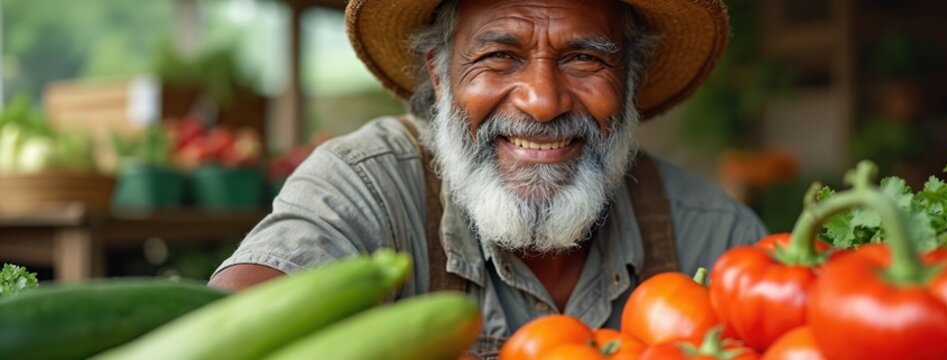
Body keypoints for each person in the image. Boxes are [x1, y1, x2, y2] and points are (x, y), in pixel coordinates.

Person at [210, 0, 766, 356]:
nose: (543, 102)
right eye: (499, 56)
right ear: (440, 73)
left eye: (584, 59)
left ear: (629, 80)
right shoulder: (366, 187)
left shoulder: (714, 237)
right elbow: (222, 331)